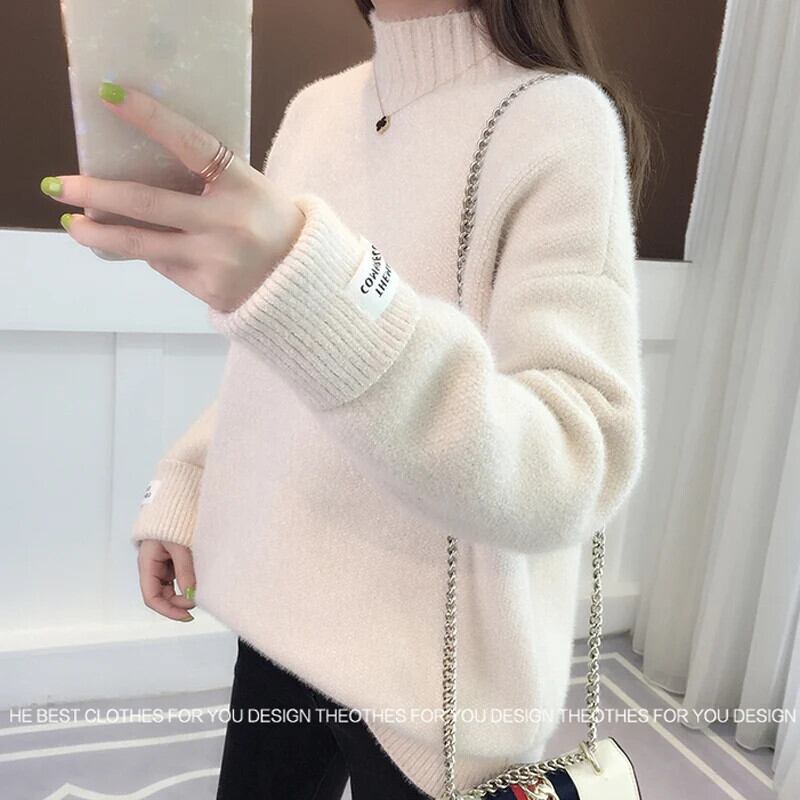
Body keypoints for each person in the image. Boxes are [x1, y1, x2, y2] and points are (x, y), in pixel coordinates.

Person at [126, 1, 651, 797]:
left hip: (431, 683)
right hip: (279, 609)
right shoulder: (317, 111)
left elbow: (575, 461)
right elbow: (272, 363)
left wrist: (328, 298)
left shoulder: (556, 121)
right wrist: (190, 480)